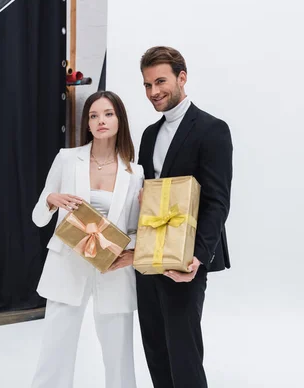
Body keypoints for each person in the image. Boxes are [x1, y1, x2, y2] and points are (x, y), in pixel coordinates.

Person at [135, 46, 233, 388]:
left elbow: (218, 201)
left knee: (183, 352)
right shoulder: (149, 135)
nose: (153, 92)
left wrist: (197, 258)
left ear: (182, 77)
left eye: (160, 81)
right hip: (149, 260)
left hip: (185, 261)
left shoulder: (212, 129)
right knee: (155, 350)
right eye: (147, 85)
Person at [31, 91, 143, 388]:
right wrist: (51, 200)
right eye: (93, 116)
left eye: (108, 114)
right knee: (55, 348)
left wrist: (124, 247)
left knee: (119, 353)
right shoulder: (67, 159)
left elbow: (134, 230)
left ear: (120, 120)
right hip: (67, 263)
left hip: (113, 267)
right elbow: (38, 217)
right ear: (87, 124)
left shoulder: (136, 173)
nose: (100, 121)